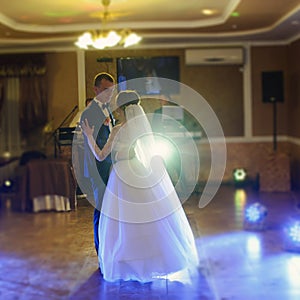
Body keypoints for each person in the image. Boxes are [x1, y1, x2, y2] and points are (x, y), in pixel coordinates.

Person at [81, 90, 199, 283]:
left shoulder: (119, 128)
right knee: (145, 218)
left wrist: (89, 136)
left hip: (120, 175)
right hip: (139, 171)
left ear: (121, 108)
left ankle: (128, 260)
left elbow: (101, 155)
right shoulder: (140, 127)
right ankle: (150, 259)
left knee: (123, 221)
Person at [80, 72, 115, 256]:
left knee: (109, 209)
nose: (110, 93)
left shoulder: (107, 109)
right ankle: (101, 253)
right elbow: (90, 144)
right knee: (100, 209)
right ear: (95, 89)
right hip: (97, 167)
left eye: (112, 90)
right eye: (106, 90)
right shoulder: (89, 112)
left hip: (109, 166)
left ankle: (109, 249)